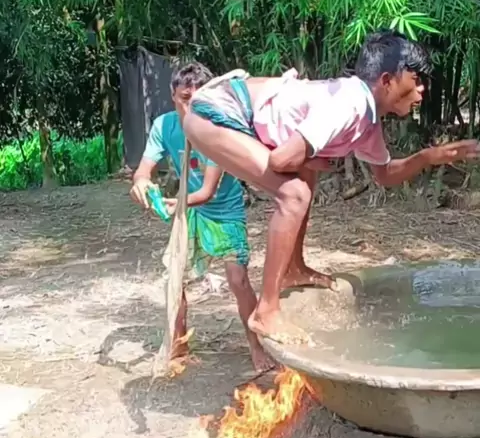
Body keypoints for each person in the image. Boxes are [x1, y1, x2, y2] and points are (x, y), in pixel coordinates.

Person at [183, 31, 480, 344]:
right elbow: (281, 159)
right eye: (416, 79)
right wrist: (315, 157)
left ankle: (293, 268)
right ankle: (266, 311)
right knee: (295, 194)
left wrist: (430, 156)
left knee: (306, 176)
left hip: (231, 114)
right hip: (215, 113)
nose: (422, 89)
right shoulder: (350, 103)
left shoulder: (367, 118)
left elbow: (384, 175)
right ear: (387, 80)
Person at [130, 61, 275, 374]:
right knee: (176, 278)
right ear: (173, 95)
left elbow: (207, 191)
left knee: (238, 280)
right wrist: (141, 183)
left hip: (224, 211)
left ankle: (256, 345)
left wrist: (174, 204)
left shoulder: (218, 128)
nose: (191, 106)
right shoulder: (164, 127)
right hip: (191, 211)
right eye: (185, 98)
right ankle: (179, 343)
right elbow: (143, 171)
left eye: (198, 99)